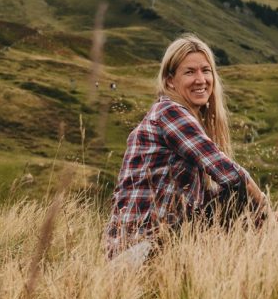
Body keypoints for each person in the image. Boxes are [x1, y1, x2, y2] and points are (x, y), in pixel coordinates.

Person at [105, 34, 269, 260]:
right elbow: (229, 173)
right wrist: (266, 211)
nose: (201, 79)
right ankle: (260, 256)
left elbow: (204, 199)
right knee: (237, 191)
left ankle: (244, 262)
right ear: (170, 80)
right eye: (190, 72)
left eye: (206, 70)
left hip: (144, 246)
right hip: (138, 251)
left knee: (225, 196)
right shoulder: (169, 112)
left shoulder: (176, 115)